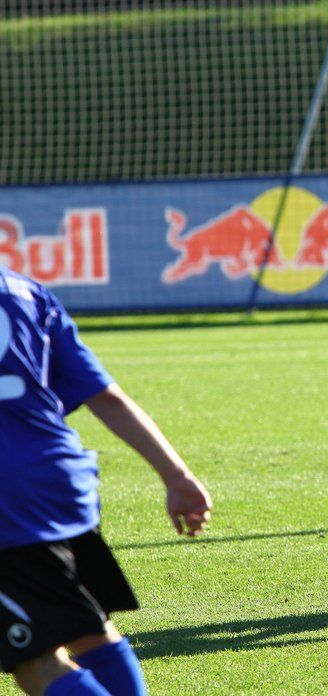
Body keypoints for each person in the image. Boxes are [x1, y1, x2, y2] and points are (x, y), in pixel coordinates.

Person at [0, 266, 213, 696]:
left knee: (37, 662)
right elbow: (106, 396)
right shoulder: (25, 291)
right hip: (60, 484)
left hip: (8, 505)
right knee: (90, 633)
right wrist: (176, 475)